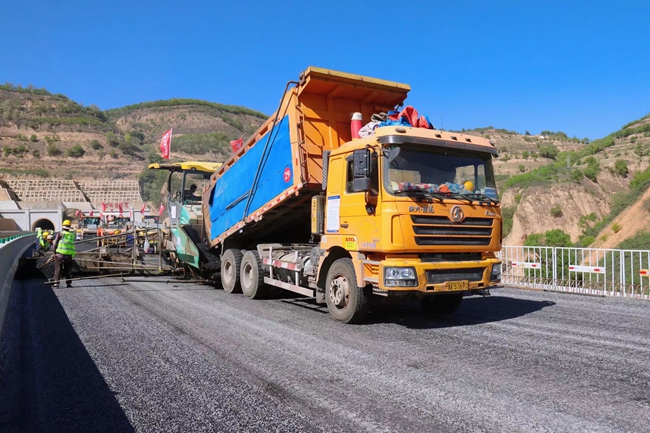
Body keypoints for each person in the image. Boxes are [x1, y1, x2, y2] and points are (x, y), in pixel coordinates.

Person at [52, 220, 76, 289]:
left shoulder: (60, 234)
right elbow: (72, 245)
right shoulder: (72, 235)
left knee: (58, 269)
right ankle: (68, 283)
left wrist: (54, 252)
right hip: (69, 255)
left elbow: (55, 243)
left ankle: (56, 283)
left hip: (60, 255)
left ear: (63, 227)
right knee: (68, 269)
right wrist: (72, 255)